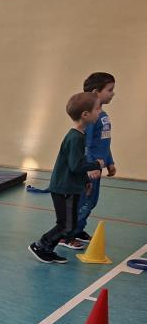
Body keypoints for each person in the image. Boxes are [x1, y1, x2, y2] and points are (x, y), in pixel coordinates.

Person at [29, 92, 103, 264]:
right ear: (85, 114)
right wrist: (96, 164)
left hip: (70, 187)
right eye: (97, 109)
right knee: (66, 225)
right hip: (64, 188)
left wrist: (86, 181)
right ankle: (40, 246)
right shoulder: (75, 137)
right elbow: (76, 166)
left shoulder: (79, 135)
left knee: (68, 224)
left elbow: (77, 162)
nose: (100, 112)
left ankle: (47, 249)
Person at [62, 72, 116, 250]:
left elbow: (104, 143)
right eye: (109, 90)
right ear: (95, 92)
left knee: (91, 201)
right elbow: (87, 144)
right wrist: (90, 166)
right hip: (90, 169)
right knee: (83, 202)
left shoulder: (102, 115)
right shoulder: (91, 118)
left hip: (97, 167)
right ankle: (66, 235)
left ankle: (78, 229)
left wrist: (110, 161)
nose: (113, 93)